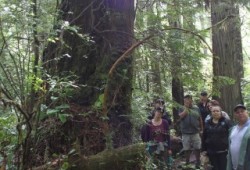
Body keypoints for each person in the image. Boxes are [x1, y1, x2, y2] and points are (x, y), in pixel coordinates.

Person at [202, 105, 232, 170]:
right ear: (211, 113)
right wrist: (203, 150)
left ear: (221, 112)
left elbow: (231, 135)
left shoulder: (226, 122)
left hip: (224, 152)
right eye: (213, 111)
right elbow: (204, 137)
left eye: (217, 111)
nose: (215, 112)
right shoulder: (207, 123)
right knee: (214, 168)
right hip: (211, 152)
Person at [179, 95, 203, 169]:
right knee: (186, 148)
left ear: (191, 100)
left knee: (197, 147)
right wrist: (186, 108)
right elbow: (181, 116)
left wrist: (202, 129)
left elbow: (200, 118)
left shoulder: (196, 108)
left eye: (188, 100)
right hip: (185, 132)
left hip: (195, 131)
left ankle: (198, 162)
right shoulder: (181, 108)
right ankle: (187, 162)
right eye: (185, 100)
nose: (187, 101)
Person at [227, 104, 250, 170]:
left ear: (247, 112)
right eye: (237, 112)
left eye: (242, 111)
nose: (240, 113)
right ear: (235, 115)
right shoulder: (232, 129)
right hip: (235, 166)